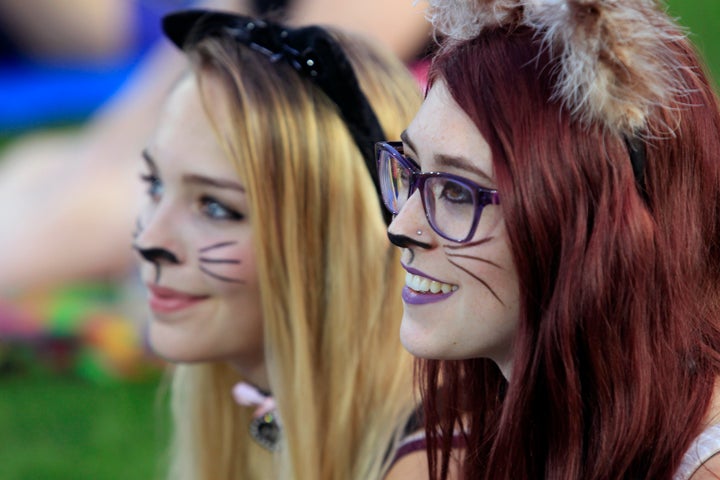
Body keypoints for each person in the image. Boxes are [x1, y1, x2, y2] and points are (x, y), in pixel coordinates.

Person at [376, 0, 720, 479]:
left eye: (456, 191)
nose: (400, 225)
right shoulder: (485, 432)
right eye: (411, 169)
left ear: (592, 227)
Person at [133, 10, 425, 479]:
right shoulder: (258, 403)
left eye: (214, 208)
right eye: (155, 186)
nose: (150, 240)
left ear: (333, 242)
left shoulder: (424, 463)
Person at [0, 0, 430, 295]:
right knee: (39, 161)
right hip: (262, 127)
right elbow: (191, 54)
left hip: (344, 152)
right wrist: (92, 160)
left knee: (109, 205)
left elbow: (296, 90)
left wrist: (133, 172)